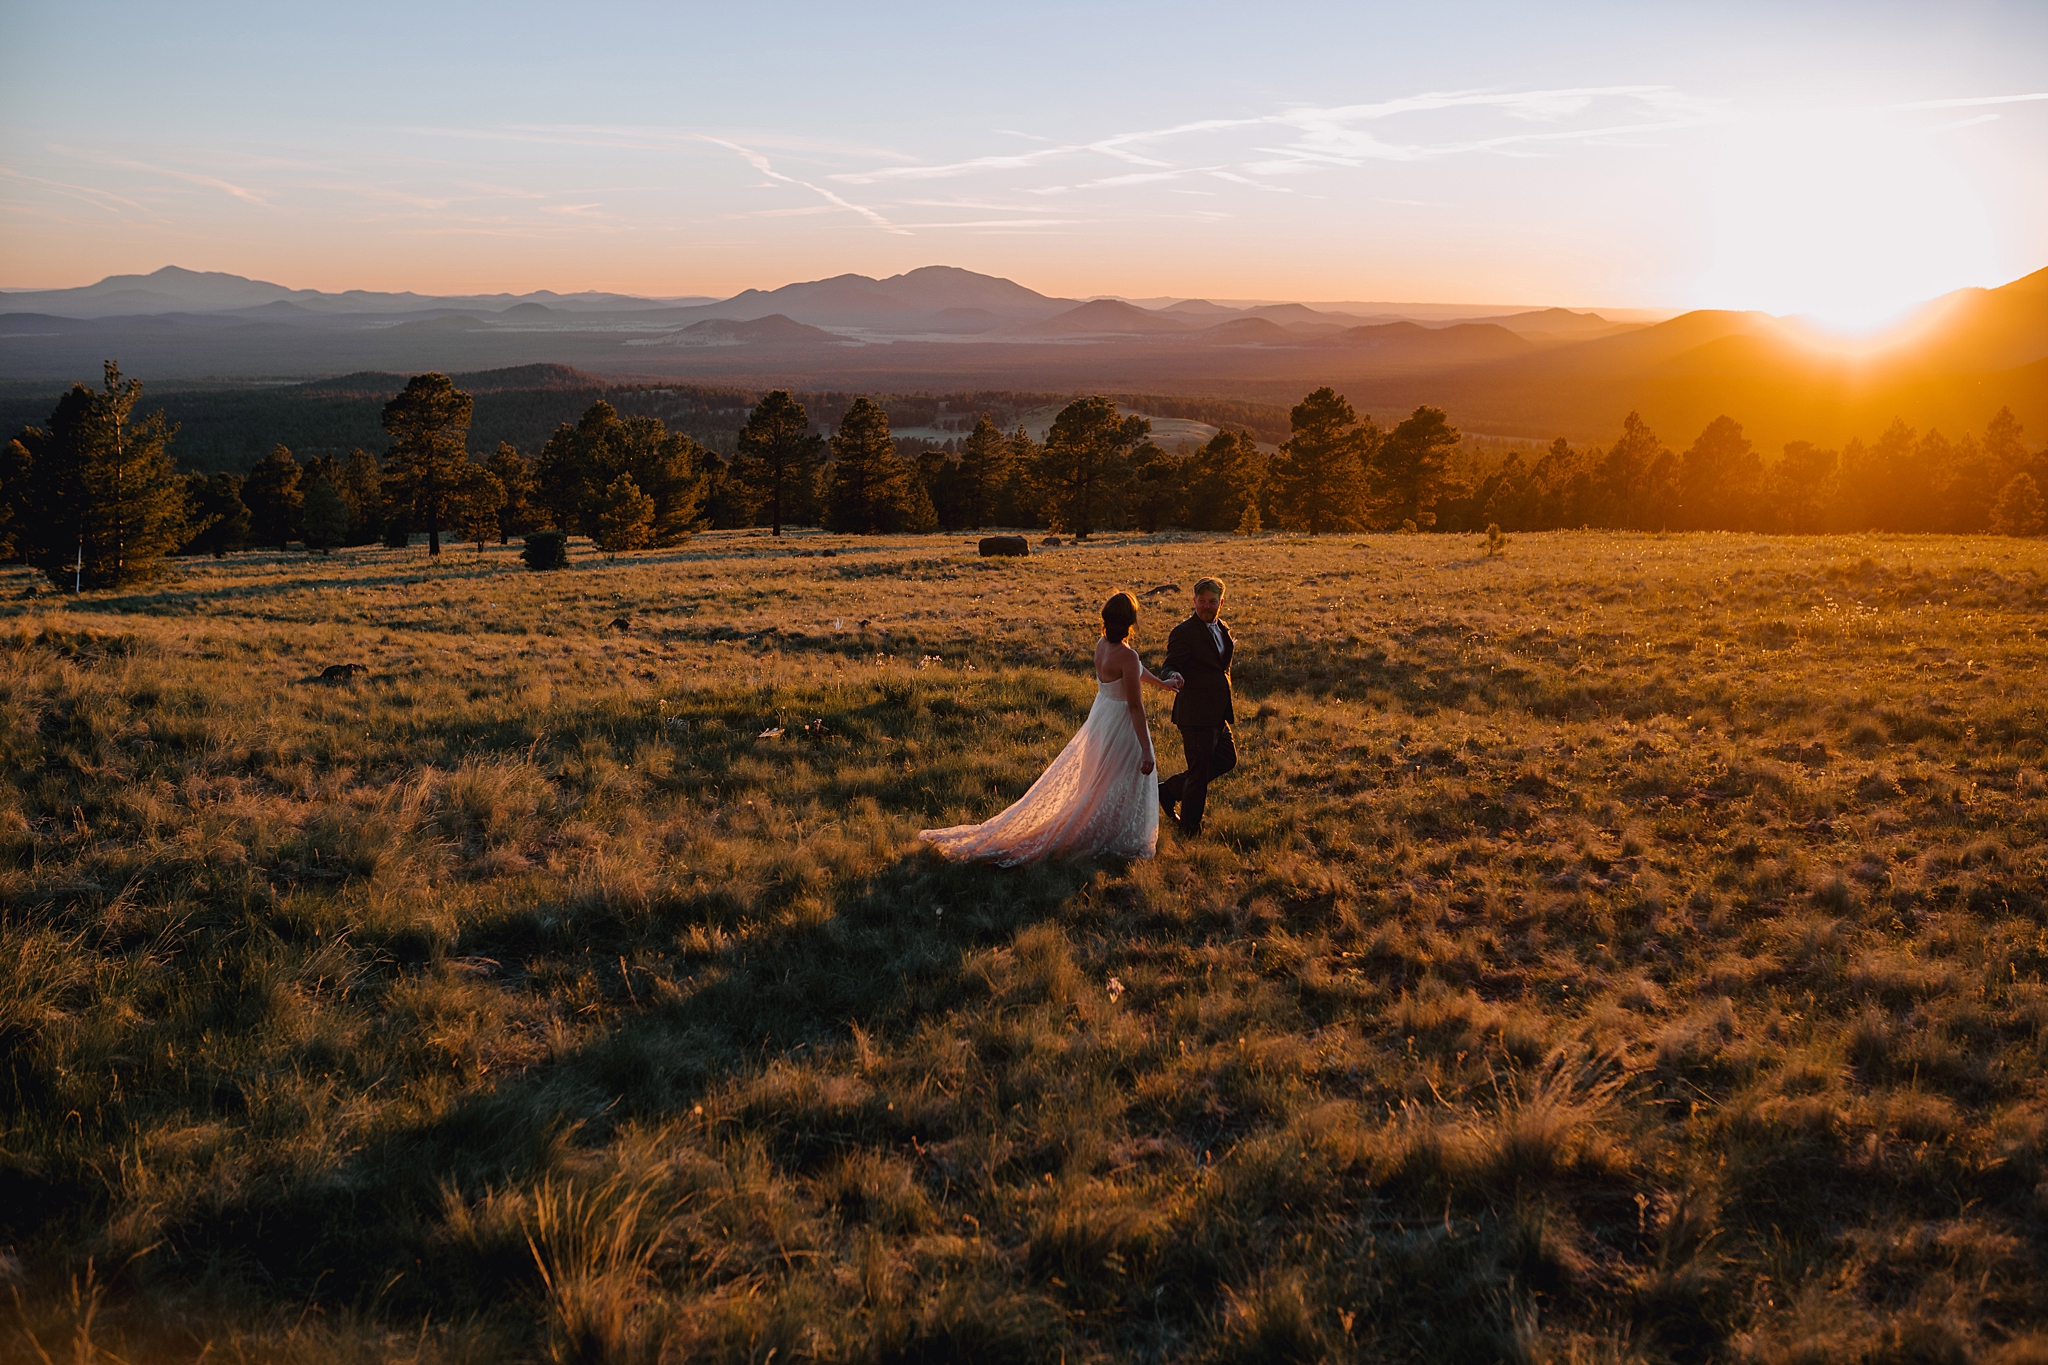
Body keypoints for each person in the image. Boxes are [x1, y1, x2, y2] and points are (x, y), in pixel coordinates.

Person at [920, 591, 1181, 865]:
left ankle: (1107, 827)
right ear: (1132, 622)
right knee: (1123, 779)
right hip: (1120, 723)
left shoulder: (1102, 645)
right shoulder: (1127, 655)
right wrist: (1145, 749)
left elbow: (1134, 670)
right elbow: (1135, 705)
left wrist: (1162, 684)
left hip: (1101, 717)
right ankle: (1116, 836)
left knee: (1100, 778)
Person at [1159, 576, 1237, 838]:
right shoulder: (1184, 632)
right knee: (1199, 772)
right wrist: (1173, 676)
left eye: (1212, 602)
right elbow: (1170, 663)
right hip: (1195, 712)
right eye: (1201, 601)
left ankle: (1169, 791)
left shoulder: (1223, 628)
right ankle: (1189, 831)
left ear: (1221, 603)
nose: (1206, 606)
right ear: (1194, 601)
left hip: (1218, 712)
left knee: (1227, 759)